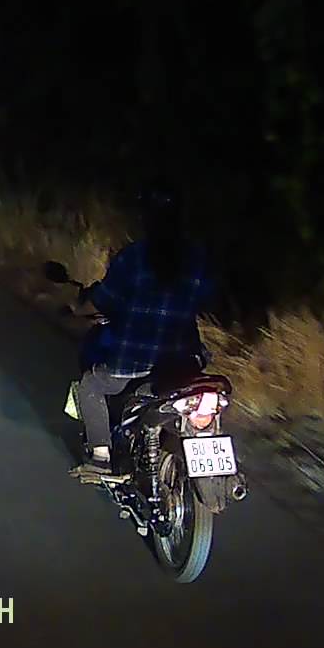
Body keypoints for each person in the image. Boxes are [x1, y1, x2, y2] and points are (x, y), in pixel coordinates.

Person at [71, 185, 214, 475]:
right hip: (184, 359)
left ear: (146, 218)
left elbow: (105, 299)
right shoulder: (198, 259)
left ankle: (100, 456)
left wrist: (85, 301)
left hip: (135, 361)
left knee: (90, 385)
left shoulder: (133, 258)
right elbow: (209, 300)